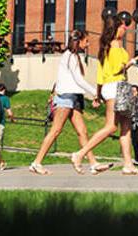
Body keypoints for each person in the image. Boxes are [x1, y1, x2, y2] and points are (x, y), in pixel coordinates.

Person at [71, 13, 138, 175]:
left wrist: (99, 94)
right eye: (123, 26)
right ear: (116, 28)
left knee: (126, 127)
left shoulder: (106, 46)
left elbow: (101, 74)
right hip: (117, 87)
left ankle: (128, 164)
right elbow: (118, 70)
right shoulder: (115, 47)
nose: (125, 29)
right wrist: (135, 60)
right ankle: (80, 154)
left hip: (111, 87)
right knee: (111, 127)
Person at [29, 30, 112, 175]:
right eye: (86, 41)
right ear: (78, 41)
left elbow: (72, 81)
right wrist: (97, 93)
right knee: (56, 130)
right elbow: (78, 80)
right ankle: (36, 163)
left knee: (82, 132)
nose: (88, 44)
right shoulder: (69, 57)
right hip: (66, 98)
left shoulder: (73, 56)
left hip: (73, 97)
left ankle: (93, 163)